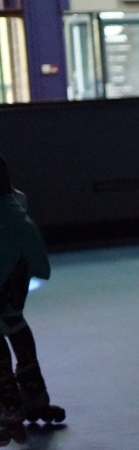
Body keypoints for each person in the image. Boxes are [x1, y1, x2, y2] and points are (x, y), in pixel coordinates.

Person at [0, 154, 64, 433]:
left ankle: (8, 403)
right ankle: (34, 393)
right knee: (16, 327)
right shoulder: (21, 217)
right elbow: (42, 269)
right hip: (15, 298)